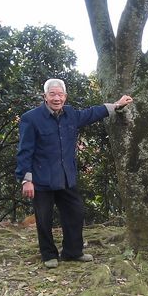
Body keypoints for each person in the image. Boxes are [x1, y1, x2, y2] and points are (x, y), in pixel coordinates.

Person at [16, 78, 133, 268]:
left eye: (60, 94)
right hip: (41, 179)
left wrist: (116, 105)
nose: (56, 98)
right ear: (45, 96)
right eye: (52, 94)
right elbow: (24, 151)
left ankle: (73, 251)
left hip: (66, 177)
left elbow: (91, 113)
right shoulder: (31, 118)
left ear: (65, 97)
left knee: (75, 213)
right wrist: (26, 179)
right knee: (44, 219)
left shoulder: (70, 114)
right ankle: (48, 255)